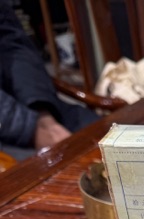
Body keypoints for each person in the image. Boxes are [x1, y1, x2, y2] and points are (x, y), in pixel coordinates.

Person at [0, 0, 99, 161]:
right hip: (7, 131)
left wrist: (42, 112)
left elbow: (12, 44)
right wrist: (30, 129)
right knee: (59, 166)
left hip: (26, 103)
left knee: (109, 136)